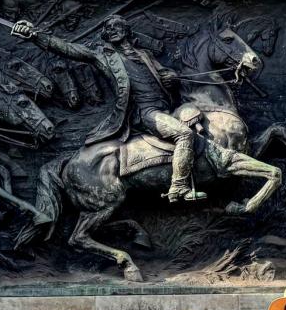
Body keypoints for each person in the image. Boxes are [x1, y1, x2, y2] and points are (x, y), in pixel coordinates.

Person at [12, 15, 206, 202]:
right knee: (184, 134)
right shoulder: (102, 55)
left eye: (116, 26)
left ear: (126, 31)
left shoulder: (144, 54)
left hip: (167, 107)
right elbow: (69, 49)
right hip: (146, 112)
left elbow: (164, 73)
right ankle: (178, 186)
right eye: (108, 28)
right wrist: (35, 35)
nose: (112, 30)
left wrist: (171, 76)